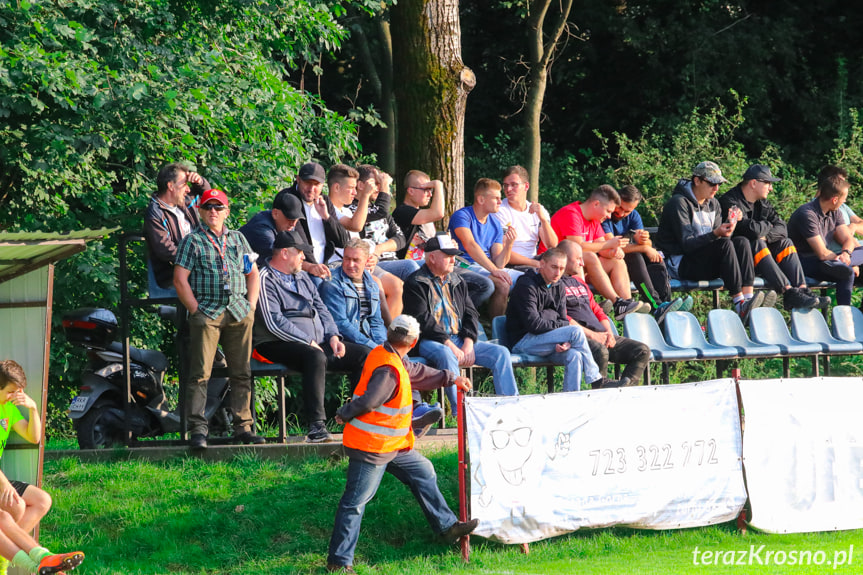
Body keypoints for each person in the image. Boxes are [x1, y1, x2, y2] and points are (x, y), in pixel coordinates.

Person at [326, 315, 477, 573]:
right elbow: (371, 400)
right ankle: (338, 563)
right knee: (354, 502)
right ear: (415, 340)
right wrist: (346, 412)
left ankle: (446, 528)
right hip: (372, 447)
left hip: (392, 444)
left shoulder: (387, 355)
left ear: (389, 334)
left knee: (424, 472)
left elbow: (416, 371)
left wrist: (451, 378)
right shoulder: (389, 369)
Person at [254, 232, 370, 443]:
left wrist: (334, 336)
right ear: (284, 253)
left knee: (364, 355)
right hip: (276, 343)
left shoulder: (302, 276)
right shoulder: (264, 278)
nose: (303, 259)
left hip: (316, 342)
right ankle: (316, 427)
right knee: (315, 357)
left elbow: (322, 308)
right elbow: (274, 322)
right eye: (300, 254)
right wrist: (307, 341)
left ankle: (358, 420)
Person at [174, 188, 263, 450]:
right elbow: (180, 280)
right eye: (208, 207)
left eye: (218, 207)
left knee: (242, 372)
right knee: (200, 374)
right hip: (208, 313)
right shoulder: (192, 241)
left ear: (227, 212)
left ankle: (243, 427)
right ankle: (198, 431)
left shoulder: (238, 239)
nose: (213, 212)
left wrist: (251, 306)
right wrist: (195, 311)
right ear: (200, 211)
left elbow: (252, 273)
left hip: (238, 311)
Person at [403, 235, 519, 416]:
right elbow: (422, 320)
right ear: (432, 257)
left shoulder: (457, 280)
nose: (452, 260)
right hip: (430, 341)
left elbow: (471, 313)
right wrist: (449, 344)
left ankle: (512, 408)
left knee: (500, 353)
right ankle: (463, 413)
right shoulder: (414, 283)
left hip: (458, 338)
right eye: (447, 255)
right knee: (446, 354)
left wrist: (469, 341)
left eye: (453, 255)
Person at [655, 161, 767, 323]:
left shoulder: (714, 203)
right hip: (681, 264)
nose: (716, 188)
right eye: (712, 183)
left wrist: (730, 225)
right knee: (726, 244)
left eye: (719, 184)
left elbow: (722, 243)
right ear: (697, 181)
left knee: (741, 241)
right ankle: (739, 304)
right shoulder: (679, 203)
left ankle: (748, 299)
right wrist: (716, 233)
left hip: (704, 261)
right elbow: (687, 245)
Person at [505, 247, 626, 391]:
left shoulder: (558, 286)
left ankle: (571, 400)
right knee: (574, 331)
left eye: (561, 268)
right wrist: (560, 332)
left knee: (574, 355)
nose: (557, 273)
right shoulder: (526, 285)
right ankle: (596, 378)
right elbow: (534, 325)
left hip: (547, 340)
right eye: (554, 267)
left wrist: (564, 340)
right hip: (523, 342)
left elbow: (562, 319)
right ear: (542, 264)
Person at [719, 164, 825, 310]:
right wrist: (768, 225)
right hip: (741, 265)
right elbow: (752, 232)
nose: (771, 188)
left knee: (785, 242)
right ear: (753, 183)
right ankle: (788, 291)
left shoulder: (763, 202)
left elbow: (783, 228)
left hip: (764, 259)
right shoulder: (730, 201)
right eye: (768, 183)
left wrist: (767, 236)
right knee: (756, 243)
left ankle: (801, 289)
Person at [393, 170, 495, 310]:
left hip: (439, 265)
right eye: (426, 189)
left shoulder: (425, 217)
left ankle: (453, 312)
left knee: (485, 285)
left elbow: (430, 245)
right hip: (419, 269)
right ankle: (447, 312)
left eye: (431, 190)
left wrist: (446, 245)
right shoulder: (402, 212)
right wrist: (438, 185)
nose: (430, 194)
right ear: (410, 191)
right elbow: (439, 213)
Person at [557, 241, 651, 385]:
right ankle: (601, 391)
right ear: (564, 258)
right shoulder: (555, 285)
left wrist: (608, 333)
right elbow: (562, 317)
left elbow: (597, 310)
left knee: (642, 351)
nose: (582, 263)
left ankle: (625, 391)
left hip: (601, 335)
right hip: (581, 337)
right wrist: (593, 335)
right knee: (601, 351)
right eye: (578, 259)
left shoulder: (578, 282)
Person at [549, 185, 646, 320]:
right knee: (587, 256)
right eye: (607, 211)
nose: (608, 216)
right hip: (556, 267)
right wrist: (608, 244)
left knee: (617, 262)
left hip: (578, 268)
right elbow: (577, 248)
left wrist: (614, 251)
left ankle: (626, 305)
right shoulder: (571, 214)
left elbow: (603, 249)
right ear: (596, 204)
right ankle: (603, 303)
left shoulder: (594, 221)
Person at [601, 185, 689, 324]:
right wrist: (644, 248)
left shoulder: (633, 215)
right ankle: (656, 306)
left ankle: (665, 304)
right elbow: (611, 247)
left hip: (625, 261)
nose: (622, 214)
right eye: (620, 208)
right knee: (635, 255)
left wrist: (644, 240)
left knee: (655, 258)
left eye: (627, 211)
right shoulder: (605, 215)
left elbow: (645, 244)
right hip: (611, 263)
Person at [0, 361, 54, 575]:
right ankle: (25, 558)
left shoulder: (9, 409)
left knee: (42, 501)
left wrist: (32, 408)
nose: (15, 396)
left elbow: (33, 437)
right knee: (16, 508)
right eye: (10, 392)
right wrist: (5, 485)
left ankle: (4, 554)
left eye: (18, 392)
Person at [788, 166, 863, 306]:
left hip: (828, 259)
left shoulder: (835, 212)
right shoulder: (807, 214)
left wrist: (846, 254)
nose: (844, 202)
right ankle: (844, 315)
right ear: (835, 200)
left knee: (845, 268)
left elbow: (847, 239)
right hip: (805, 261)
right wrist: (842, 259)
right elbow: (822, 253)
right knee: (845, 272)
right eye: (844, 199)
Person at [448, 178, 523, 318]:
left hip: (486, 266)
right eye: (496, 198)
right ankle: (496, 331)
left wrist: (509, 244)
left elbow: (499, 262)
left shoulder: (495, 222)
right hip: (463, 264)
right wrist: (495, 270)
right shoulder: (462, 216)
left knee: (527, 280)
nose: (501, 202)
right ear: (481, 199)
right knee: (502, 284)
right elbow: (470, 245)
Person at [277, 162, 352, 281]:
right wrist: (311, 267)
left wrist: (326, 216)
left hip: (326, 266)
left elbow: (343, 241)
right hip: (301, 269)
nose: (311, 189)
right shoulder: (288, 199)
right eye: (307, 183)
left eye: (316, 184)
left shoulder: (325, 201)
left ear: (323, 185)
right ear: (298, 180)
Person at [144, 162, 209, 298]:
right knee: (214, 285)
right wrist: (196, 262)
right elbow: (166, 250)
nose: (188, 189)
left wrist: (200, 181)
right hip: (173, 275)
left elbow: (210, 198)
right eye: (184, 184)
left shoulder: (186, 201)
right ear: (171, 186)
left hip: (198, 269)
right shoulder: (155, 213)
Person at [350, 165, 420, 282]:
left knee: (433, 266)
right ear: (361, 185)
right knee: (410, 266)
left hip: (392, 261)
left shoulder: (379, 211)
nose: (380, 187)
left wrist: (378, 249)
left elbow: (400, 238)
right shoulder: (352, 210)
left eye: (380, 183)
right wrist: (385, 186)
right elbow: (381, 211)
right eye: (376, 183)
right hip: (374, 265)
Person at [319, 239, 387, 350]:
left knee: (400, 357)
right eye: (347, 259)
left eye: (356, 260)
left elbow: (376, 321)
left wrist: (382, 345)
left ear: (367, 260)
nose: (350, 264)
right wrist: (373, 347)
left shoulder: (372, 284)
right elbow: (341, 324)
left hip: (367, 339)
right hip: (344, 341)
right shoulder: (332, 283)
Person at [493, 165, 558, 270]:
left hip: (534, 259)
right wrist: (535, 264)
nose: (508, 189)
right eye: (505, 185)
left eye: (514, 185)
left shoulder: (539, 210)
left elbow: (552, 245)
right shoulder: (500, 211)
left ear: (526, 186)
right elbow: (502, 251)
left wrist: (543, 219)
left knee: (568, 253)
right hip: (512, 263)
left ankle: (578, 286)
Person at [239, 191, 304, 266]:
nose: (293, 224)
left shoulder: (284, 225)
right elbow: (282, 257)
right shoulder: (262, 229)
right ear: (275, 214)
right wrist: (309, 267)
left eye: (296, 219)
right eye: (289, 218)